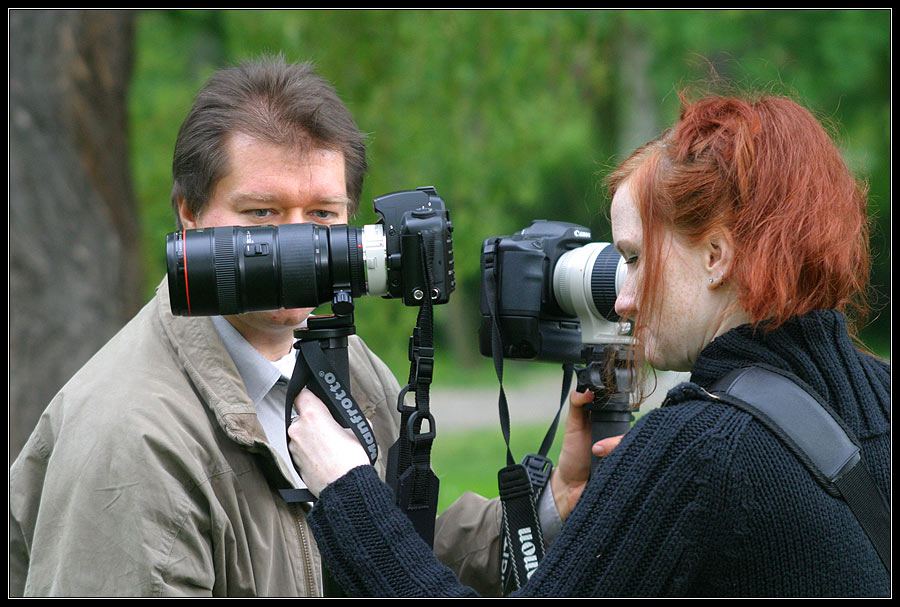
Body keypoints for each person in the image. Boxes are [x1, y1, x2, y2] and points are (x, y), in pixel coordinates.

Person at [286, 91, 891, 597]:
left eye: (633, 258)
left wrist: (347, 491)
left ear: (716, 256)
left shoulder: (702, 451)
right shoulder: (880, 396)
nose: (621, 298)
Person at [7, 54, 490, 597]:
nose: (300, 250)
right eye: (262, 214)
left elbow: (402, 546)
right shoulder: (132, 439)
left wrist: (551, 505)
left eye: (323, 216)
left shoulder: (343, 361)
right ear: (190, 216)